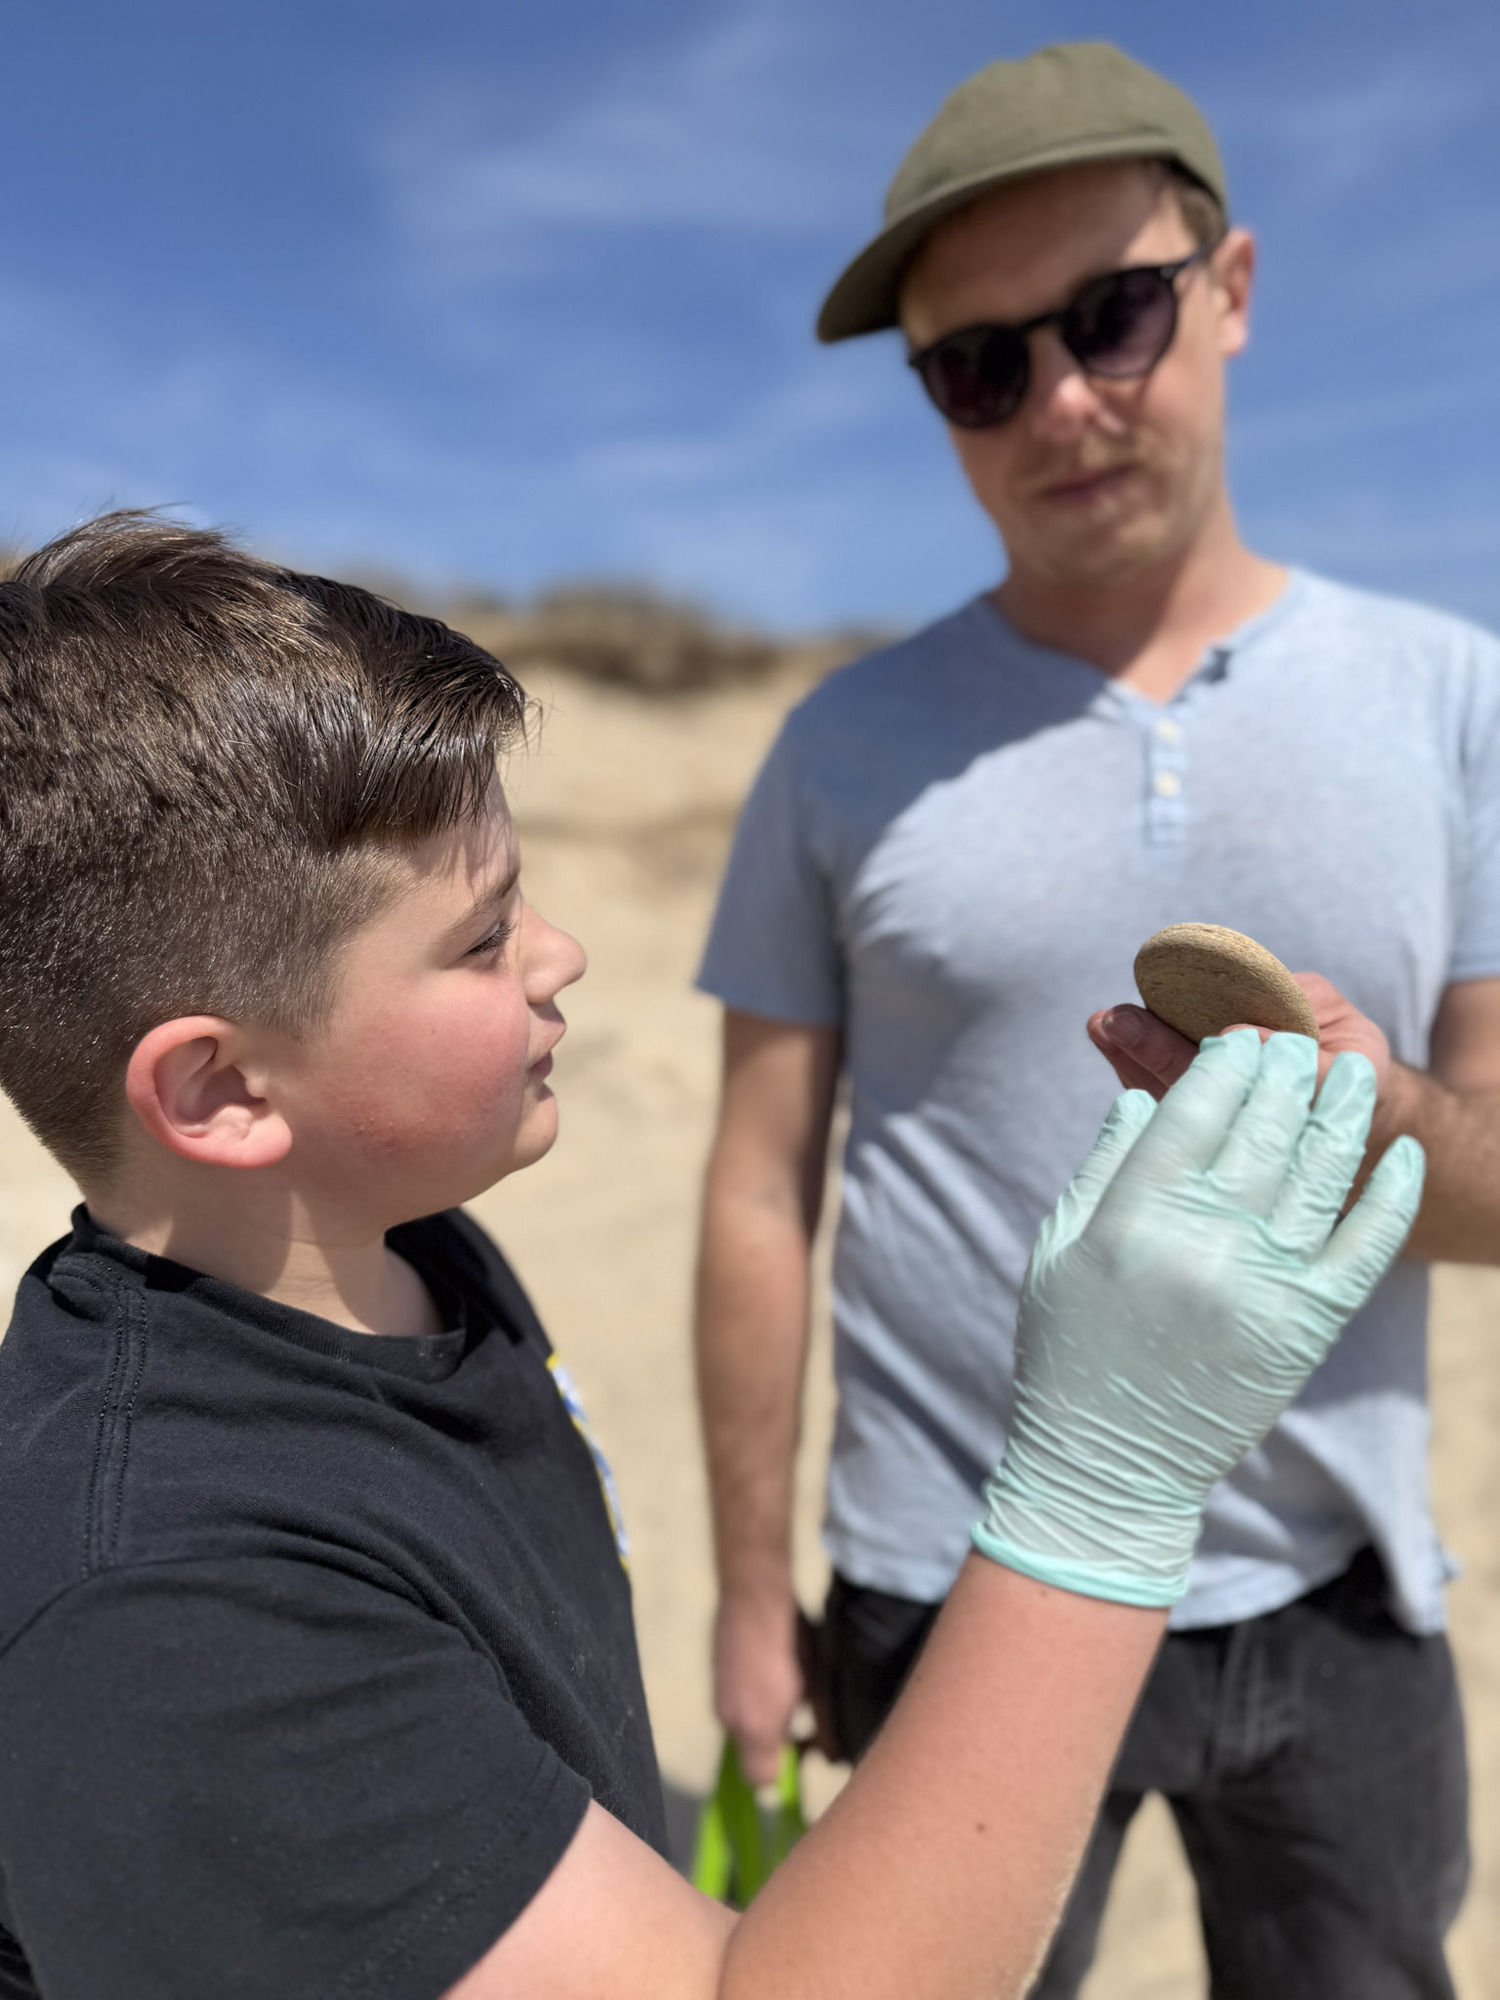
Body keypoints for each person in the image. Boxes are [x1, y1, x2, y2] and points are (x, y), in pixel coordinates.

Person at [0, 512, 1423, 2000]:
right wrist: (1110, 1477)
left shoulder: (406, 1256)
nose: (561, 954)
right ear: (222, 1094)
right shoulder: (172, 1621)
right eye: (481, 943)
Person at [694, 39, 1500, 1999]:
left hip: (1336, 1588)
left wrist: (1370, 1105)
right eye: (979, 363)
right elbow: (757, 1189)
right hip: (944, 1576)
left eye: (1113, 316)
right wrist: (744, 1601)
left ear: (1229, 290)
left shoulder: (1447, 697)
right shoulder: (840, 746)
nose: (1058, 399)